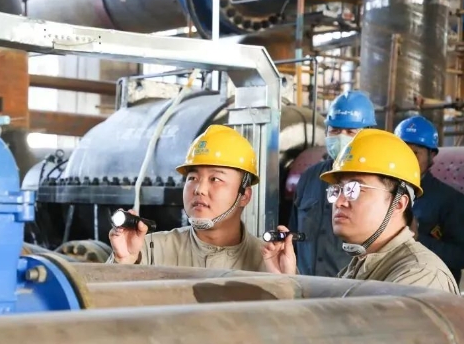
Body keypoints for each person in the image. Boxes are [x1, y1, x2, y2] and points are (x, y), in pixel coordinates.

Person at [262, 129, 459, 294]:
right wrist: (287, 282)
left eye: (354, 189)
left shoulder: (419, 276)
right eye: (337, 189)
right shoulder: (357, 267)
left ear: (399, 203)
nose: (339, 201)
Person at [107, 124, 265, 270]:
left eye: (215, 179)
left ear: (244, 195)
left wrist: (279, 278)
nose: (199, 189)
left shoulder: (266, 260)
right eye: (193, 178)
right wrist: (123, 263)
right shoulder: (147, 251)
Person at [289, 90, 377, 277]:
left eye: (350, 132)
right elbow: (294, 235)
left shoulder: (376, 183)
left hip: (351, 289)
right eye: (335, 130)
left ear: (369, 135)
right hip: (304, 285)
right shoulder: (310, 177)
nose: (341, 137)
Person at [394, 115, 464, 284]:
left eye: (415, 153)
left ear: (432, 155)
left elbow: (460, 256)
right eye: (401, 152)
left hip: (432, 289)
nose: (406, 160)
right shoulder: (384, 193)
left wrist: (418, 239)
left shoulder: (451, 201)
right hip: (390, 283)